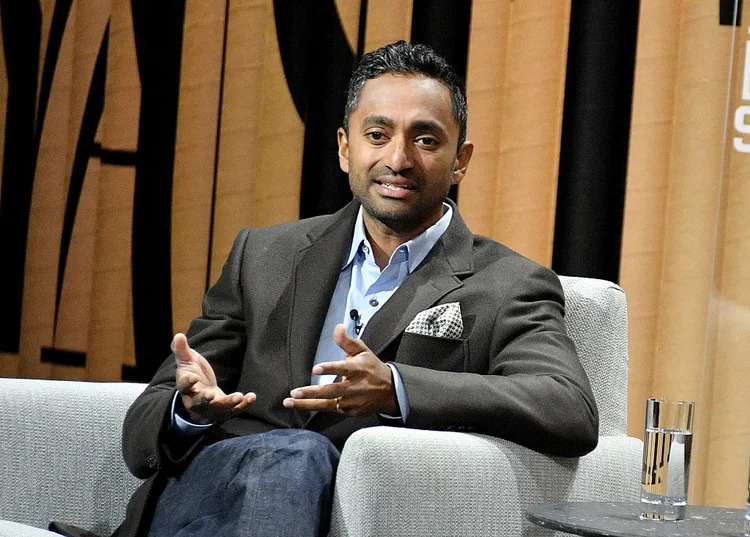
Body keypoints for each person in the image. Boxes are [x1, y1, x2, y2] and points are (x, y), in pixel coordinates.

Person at [116, 41, 598, 537]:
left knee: (304, 456)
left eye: (426, 140)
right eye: (377, 134)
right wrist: (188, 410)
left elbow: (567, 407)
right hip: (211, 496)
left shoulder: (507, 283)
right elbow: (141, 434)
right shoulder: (263, 255)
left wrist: (398, 388)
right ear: (346, 148)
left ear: (461, 160)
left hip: (357, 514)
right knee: (295, 455)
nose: (398, 158)